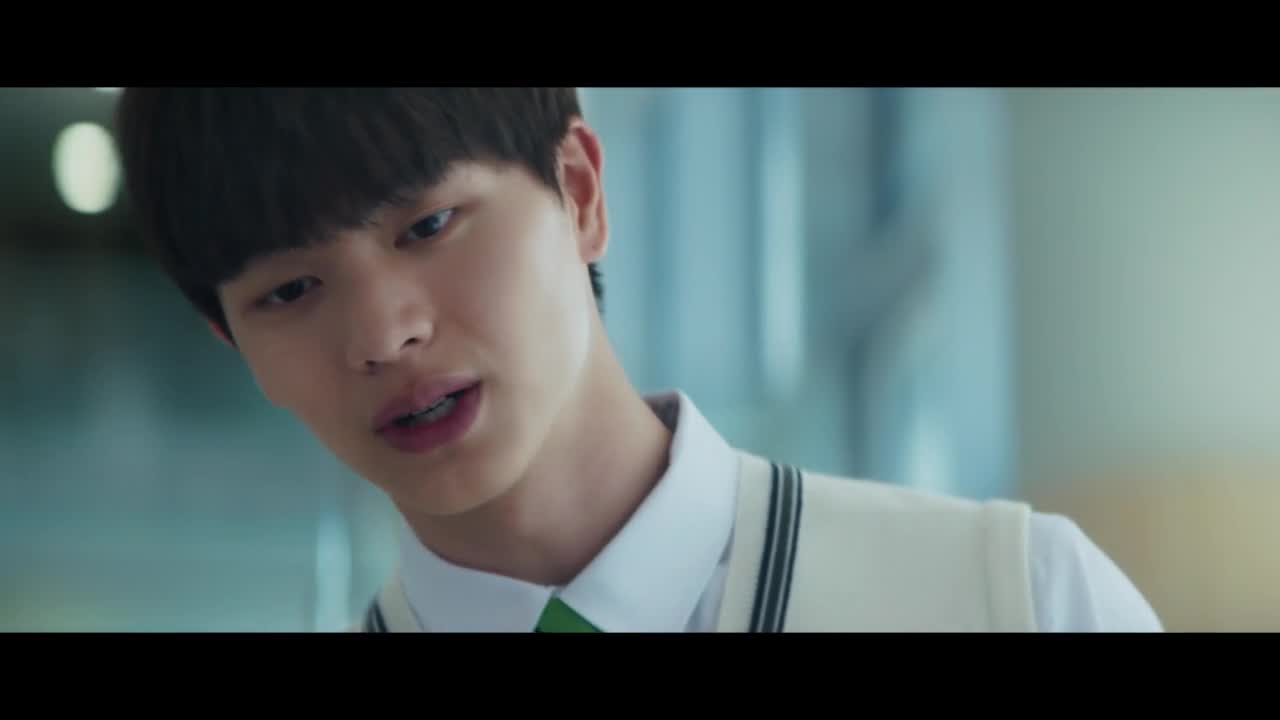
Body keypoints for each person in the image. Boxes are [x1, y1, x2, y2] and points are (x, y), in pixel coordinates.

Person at [113, 88, 1163, 632]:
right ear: (233, 344)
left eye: (428, 226)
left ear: (577, 191)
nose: (384, 335)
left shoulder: (1015, 600)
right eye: (290, 292)